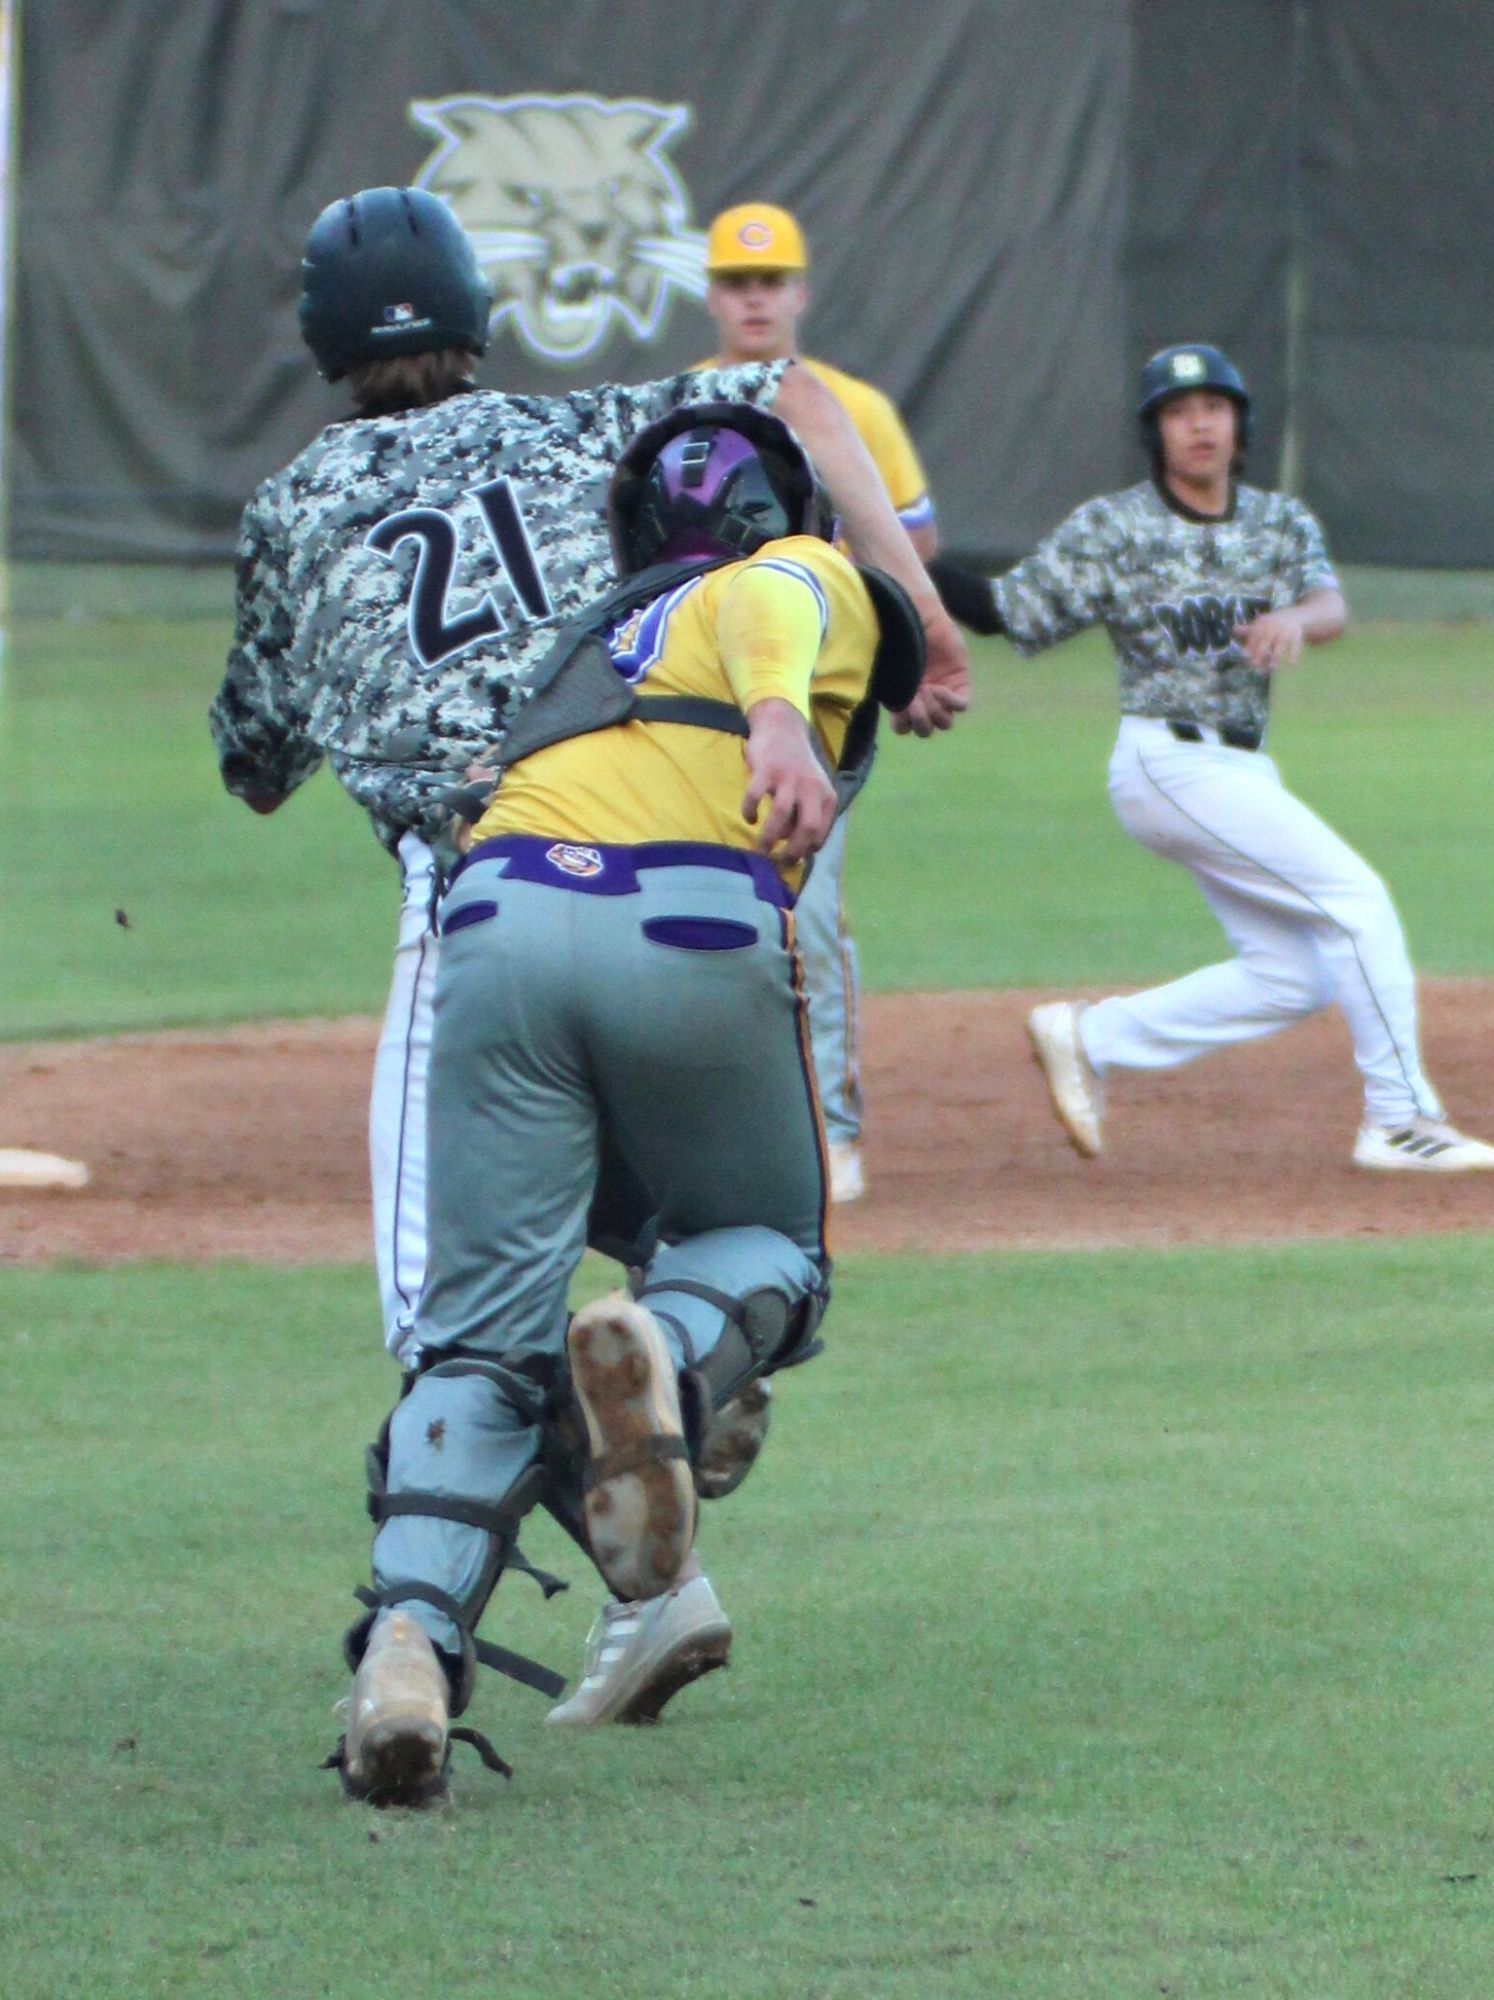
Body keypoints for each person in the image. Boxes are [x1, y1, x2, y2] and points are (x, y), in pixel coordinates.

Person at [209, 188, 970, 1745]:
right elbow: (801, 403)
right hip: (682, 863)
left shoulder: (294, 503)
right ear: (483, 314)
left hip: (481, 902)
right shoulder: (588, 424)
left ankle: (419, 1643)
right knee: (729, 1233)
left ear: (321, 345)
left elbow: (256, 763)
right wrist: (928, 623)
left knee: (461, 1335)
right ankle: (671, 1492)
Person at [335, 401, 932, 1803]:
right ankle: (658, 1357)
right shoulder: (789, 574)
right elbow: (784, 593)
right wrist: (780, 714)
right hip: (683, 926)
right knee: (763, 1244)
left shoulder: (581, 650)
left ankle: (407, 1651)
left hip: (491, 933)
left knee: (476, 1350)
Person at [931, 342, 1494, 1172]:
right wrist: (900, 565)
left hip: (1240, 770)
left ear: (1239, 423)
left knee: (1292, 977)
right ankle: (1400, 1118)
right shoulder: (1117, 527)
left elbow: (1329, 601)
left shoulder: (1277, 521)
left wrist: (1297, 622)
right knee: (1356, 900)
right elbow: (1001, 610)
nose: (1198, 423)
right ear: (1155, 433)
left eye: (1213, 407)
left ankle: (1090, 1035)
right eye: (1176, 411)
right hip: (1167, 761)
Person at [701, 201, 939, 1203]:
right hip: (705, 693)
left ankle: (830, 1129)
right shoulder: (677, 403)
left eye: (772, 281)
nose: (756, 299)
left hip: (823, 696)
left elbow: (914, 540)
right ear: (713, 295)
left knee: (811, 905)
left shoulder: (853, 407)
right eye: (738, 283)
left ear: (800, 291)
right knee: (701, 906)